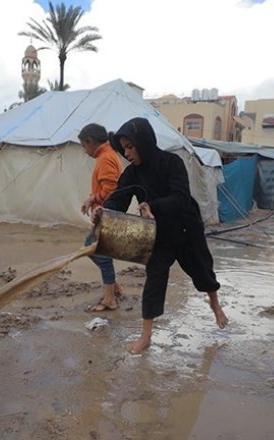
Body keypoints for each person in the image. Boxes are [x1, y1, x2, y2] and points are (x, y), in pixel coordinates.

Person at [98, 117, 228, 354]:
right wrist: (104, 211)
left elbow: (180, 197)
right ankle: (146, 336)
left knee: (203, 271)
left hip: (186, 227)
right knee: (155, 279)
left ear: (144, 142)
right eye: (123, 148)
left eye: (130, 146)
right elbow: (120, 197)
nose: (126, 153)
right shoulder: (132, 174)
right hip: (158, 234)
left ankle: (215, 304)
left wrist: (151, 205)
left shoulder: (172, 162)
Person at [78, 123, 124, 312]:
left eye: (83, 146)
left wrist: (93, 199)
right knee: (91, 248)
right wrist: (92, 200)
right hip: (105, 214)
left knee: (99, 254)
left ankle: (110, 299)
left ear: (90, 142)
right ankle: (114, 287)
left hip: (107, 215)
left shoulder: (105, 158)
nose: (84, 150)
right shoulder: (108, 155)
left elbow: (111, 190)